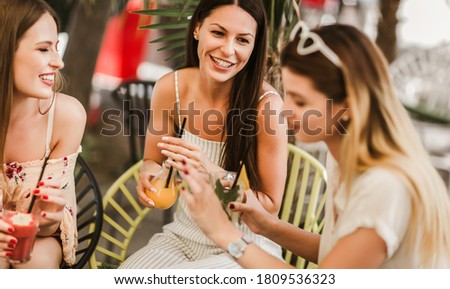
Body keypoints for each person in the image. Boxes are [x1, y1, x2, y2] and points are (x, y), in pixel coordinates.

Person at [179, 22, 450, 268]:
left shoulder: (384, 186)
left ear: (347, 105)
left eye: (300, 101)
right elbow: (338, 252)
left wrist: (225, 235)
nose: (284, 111)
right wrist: (267, 226)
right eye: (287, 95)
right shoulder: (343, 157)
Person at [120, 0, 288, 268]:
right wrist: (149, 172)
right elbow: (152, 159)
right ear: (198, 28)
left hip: (244, 246)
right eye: (218, 33)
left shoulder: (266, 106)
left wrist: (212, 172)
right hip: (182, 238)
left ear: (254, 46)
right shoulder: (170, 89)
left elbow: (270, 206)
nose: (228, 50)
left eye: (243, 40)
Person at [0, 0, 86, 268]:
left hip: (40, 239)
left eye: (56, 47)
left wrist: (45, 219)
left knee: (32, 263)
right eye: (42, 48)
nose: (58, 63)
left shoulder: (66, 117)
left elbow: (44, 230)